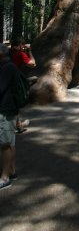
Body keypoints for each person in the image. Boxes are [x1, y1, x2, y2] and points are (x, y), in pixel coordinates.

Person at [0, 43, 19, 190]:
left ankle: (5, 178)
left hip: (6, 111)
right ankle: (11, 171)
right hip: (8, 110)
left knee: (5, 144)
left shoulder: (7, 68)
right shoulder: (7, 66)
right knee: (9, 142)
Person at [10, 37, 36, 133]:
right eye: (22, 45)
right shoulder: (20, 54)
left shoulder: (8, 52)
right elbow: (33, 64)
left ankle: (18, 124)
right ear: (20, 45)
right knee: (15, 103)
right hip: (13, 81)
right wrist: (29, 51)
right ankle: (17, 126)